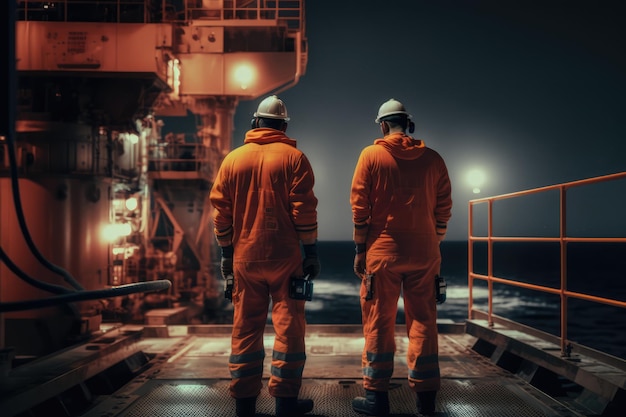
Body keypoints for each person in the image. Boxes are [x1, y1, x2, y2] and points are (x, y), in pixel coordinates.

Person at [209, 95, 320, 417]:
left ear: (255, 123)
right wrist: (310, 251)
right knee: (289, 329)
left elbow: (221, 214)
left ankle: (244, 406)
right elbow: (304, 211)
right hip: (285, 257)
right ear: (284, 126)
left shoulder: (233, 160)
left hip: (245, 256)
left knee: (245, 329)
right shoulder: (294, 158)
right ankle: (286, 403)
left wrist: (226, 254)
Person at [349, 98, 452, 416]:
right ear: (409, 124)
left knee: (378, 324)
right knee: (423, 323)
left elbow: (359, 207)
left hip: (383, 254)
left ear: (382, 125)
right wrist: (433, 241)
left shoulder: (371, 155)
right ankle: (425, 402)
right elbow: (444, 207)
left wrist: (359, 248)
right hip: (425, 254)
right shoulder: (433, 159)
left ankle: (376, 399)